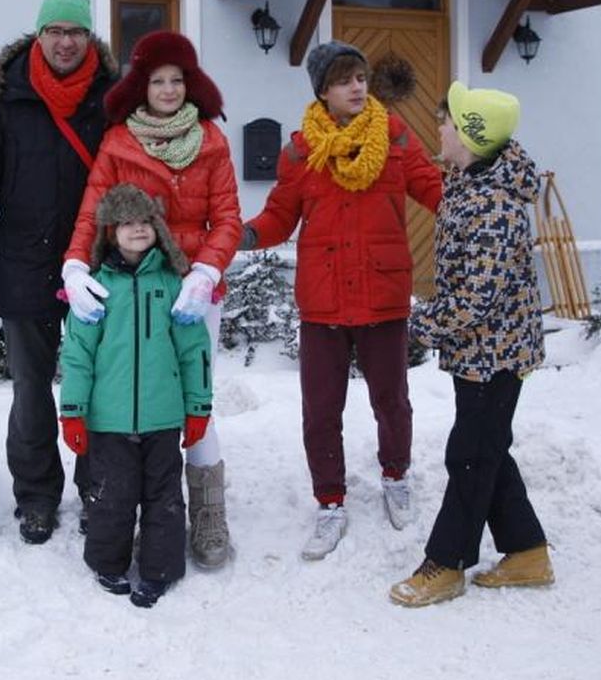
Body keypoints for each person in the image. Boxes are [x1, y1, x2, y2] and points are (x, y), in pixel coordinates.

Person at [239, 40, 442, 560]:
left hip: (383, 294)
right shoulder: (301, 151)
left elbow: (434, 188)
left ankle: (396, 475)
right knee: (320, 409)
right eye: (345, 79)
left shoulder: (395, 136)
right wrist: (243, 236)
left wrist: (481, 204)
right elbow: (281, 215)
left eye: (361, 78)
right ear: (322, 90)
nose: (357, 87)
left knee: (391, 399)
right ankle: (329, 501)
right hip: (324, 300)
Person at [62, 30, 242, 569]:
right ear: (142, 87)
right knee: (132, 404)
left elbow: (228, 217)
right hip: (133, 286)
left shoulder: (211, 140)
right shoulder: (118, 142)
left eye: (177, 79)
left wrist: (205, 272)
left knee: (193, 398)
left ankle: (207, 512)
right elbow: (94, 212)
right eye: (158, 80)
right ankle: (131, 510)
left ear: (191, 85)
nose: (168, 89)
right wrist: (74, 265)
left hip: (191, 294)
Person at [0, 0, 119, 544]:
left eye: (75, 31)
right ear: (40, 34)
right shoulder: (7, 95)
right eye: (56, 31)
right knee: (30, 388)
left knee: (97, 386)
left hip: (97, 264)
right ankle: (37, 495)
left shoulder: (112, 96)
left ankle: (98, 487)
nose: (66, 42)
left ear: (88, 35)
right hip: (25, 261)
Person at [390, 82, 553, 607]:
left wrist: (421, 326)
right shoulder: (469, 179)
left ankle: (447, 563)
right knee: (486, 449)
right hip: (479, 351)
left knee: (468, 455)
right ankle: (527, 552)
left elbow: (476, 298)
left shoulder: (494, 207)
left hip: (496, 352)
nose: (438, 128)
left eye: (447, 122)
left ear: (471, 136)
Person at [59, 184, 213, 608]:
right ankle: (108, 563)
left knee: (164, 498)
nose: (137, 230)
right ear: (111, 231)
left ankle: (159, 570)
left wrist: (198, 407)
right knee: (112, 495)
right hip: (108, 422)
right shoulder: (95, 288)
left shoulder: (172, 283)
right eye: (127, 223)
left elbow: (194, 351)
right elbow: (76, 357)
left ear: (157, 228)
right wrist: (72, 413)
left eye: (145, 221)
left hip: (163, 419)